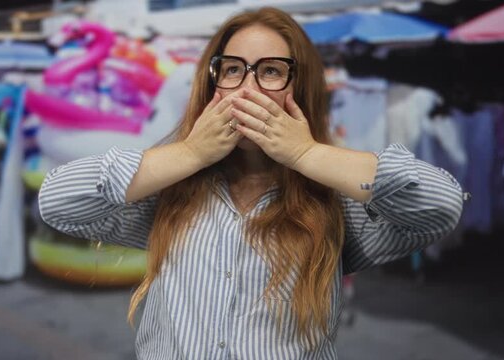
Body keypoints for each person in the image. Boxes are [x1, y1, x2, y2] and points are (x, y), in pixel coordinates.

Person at [38, 7, 464, 359]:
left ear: (300, 87)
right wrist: (190, 153)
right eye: (233, 70)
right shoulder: (171, 192)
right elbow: (57, 199)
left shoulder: (335, 203)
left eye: (272, 72)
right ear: (212, 83)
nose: (248, 89)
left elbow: (439, 204)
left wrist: (304, 153)